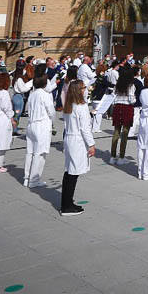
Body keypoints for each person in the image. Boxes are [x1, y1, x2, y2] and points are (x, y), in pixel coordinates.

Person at [60, 80, 95, 215]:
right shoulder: (81, 106)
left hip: (69, 138)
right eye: (83, 88)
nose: (85, 90)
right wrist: (91, 144)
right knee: (73, 173)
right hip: (77, 140)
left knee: (69, 171)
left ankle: (67, 202)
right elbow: (85, 128)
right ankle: (67, 206)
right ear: (79, 90)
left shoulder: (69, 105)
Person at [23, 71, 54, 188]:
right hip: (41, 125)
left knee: (30, 152)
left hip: (31, 124)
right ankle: (34, 179)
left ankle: (26, 177)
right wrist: (52, 121)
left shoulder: (32, 94)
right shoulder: (44, 95)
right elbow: (51, 111)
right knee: (40, 153)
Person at [108, 66, 136, 165]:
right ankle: (121, 157)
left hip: (117, 107)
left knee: (116, 132)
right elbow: (131, 100)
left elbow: (113, 97)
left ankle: (112, 156)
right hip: (127, 108)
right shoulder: (131, 85)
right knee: (124, 133)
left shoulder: (117, 85)